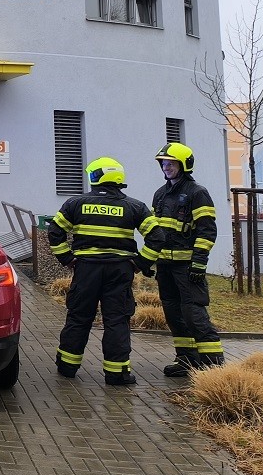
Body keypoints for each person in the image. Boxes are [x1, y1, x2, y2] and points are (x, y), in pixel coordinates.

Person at [48, 157, 158, 386]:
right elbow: (157, 237)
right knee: (117, 320)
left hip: (86, 269)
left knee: (78, 317)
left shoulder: (75, 203)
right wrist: (140, 263)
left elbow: (55, 231)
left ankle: (67, 366)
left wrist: (67, 259)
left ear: (96, 176)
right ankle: (117, 374)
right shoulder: (135, 206)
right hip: (120, 270)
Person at [149, 142, 224, 376]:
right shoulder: (160, 194)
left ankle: (213, 365)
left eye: (171, 163)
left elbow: (207, 231)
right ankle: (187, 360)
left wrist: (199, 263)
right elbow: (155, 232)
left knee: (194, 314)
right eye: (164, 163)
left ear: (184, 165)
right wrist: (150, 260)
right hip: (165, 266)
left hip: (188, 266)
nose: (166, 167)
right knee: (173, 315)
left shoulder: (197, 193)